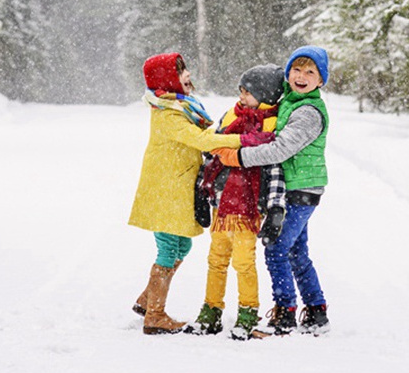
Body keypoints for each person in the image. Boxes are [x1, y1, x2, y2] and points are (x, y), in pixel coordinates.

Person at [213, 45, 331, 336]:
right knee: (296, 252)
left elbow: (280, 149)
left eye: (310, 72)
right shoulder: (291, 102)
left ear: (321, 81)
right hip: (296, 187)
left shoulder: (308, 112)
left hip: (300, 189)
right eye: (296, 69)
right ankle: (317, 312)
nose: (301, 76)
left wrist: (238, 157)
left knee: (276, 249)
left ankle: (285, 313)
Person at [129, 52, 242, 335]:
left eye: (185, 69)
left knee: (184, 246)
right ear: (167, 81)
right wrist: (243, 140)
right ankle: (155, 315)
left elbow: (205, 130)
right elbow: (202, 139)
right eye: (180, 72)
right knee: (168, 248)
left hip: (177, 188)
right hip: (164, 190)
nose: (187, 75)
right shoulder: (167, 114)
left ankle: (147, 300)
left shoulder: (184, 106)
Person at [187, 64, 286, 340]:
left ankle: (248, 311)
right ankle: (211, 309)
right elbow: (212, 152)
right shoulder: (231, 115)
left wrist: (276, 206)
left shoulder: (272, 126)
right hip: (221, 204)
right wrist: (200, 191)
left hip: (248, 208)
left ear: (265, 95)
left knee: (243, 262)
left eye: (248, 92)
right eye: (241, 90)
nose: (241, 96)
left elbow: (275, 168)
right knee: (216, 259)